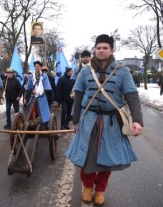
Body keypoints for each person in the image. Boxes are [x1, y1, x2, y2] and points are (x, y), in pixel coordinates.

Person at [65, 34, 143, 206]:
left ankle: (100, 189)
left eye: (105, 48)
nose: (101, 50)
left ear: (111, 50)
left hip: (112, 123)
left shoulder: (122, 72)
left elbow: (132, 96)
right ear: (95, 49)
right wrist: (76, 120)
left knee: (107, 161)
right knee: (86, 159)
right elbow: (78, 97)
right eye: (98, 48)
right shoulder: (84, 71)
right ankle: (87, 186)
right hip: (88, 121)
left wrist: (137, 120)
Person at [23, 61, 52, 128]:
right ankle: (33, 124)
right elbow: (27, 88)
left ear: (41, 67)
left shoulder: (44, 76)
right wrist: (25, 97)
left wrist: (39, 91)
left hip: (42, 97)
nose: (36, 67)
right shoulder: (31, 76)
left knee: (43, 112)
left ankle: (45, 124)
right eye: (35, 66)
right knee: (32, 111)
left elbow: (47, 87)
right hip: (33, 97)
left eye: (38, 66)